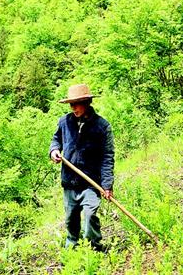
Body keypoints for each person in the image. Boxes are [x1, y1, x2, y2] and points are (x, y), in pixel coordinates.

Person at [49, 84, 115, 251]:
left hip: (91, 183)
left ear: (86, 102)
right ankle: (72, 248)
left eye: (76, 104)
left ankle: (94, 249)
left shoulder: (102, 126)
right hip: (69, 182)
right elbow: (56, 139)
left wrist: (107, 185)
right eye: (71, 104)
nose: (73, 108)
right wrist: (54, 150)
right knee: (71, 219)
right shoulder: (64, 121)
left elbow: (108, 157)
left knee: (90, 215)